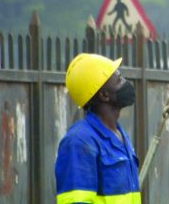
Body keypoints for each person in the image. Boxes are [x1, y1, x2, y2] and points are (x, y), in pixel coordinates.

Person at [55, 53, 142, 204]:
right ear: (104, 95)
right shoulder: (80, 142)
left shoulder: (120, 135)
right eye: (119, 80)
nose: (126, 83)